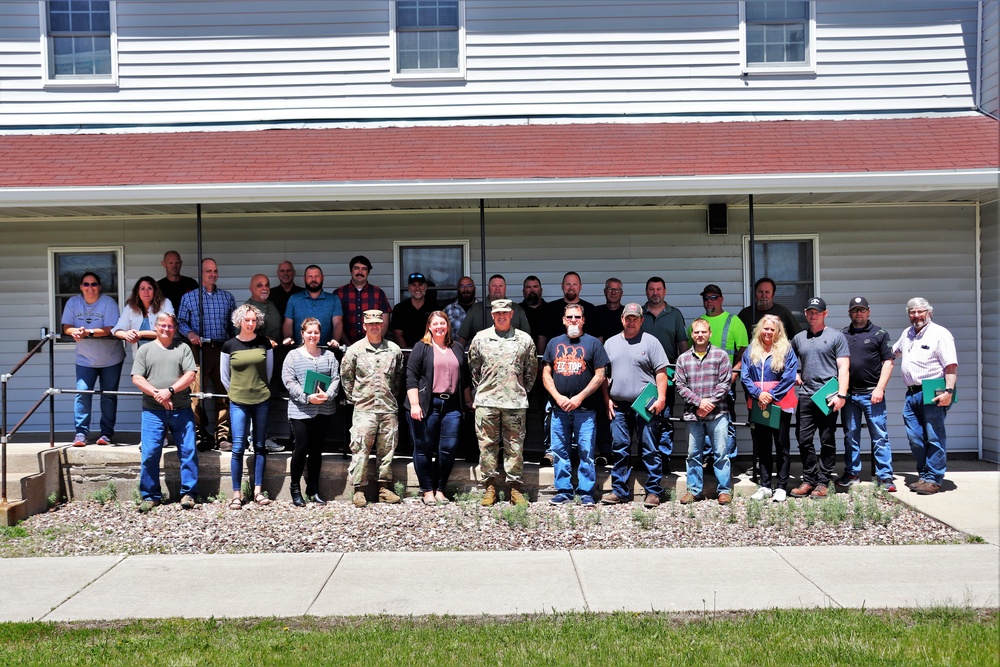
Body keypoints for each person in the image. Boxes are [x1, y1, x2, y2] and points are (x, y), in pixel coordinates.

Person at [468, 299, 538, 507]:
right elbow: (474, 369)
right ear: (492, 315)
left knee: (514, 447)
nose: (501, 316)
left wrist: (519, 389)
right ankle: (490, 488)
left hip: (515, 401)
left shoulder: (524, 340)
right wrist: (485, 388)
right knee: (487, 446)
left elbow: (531, 370)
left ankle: (514, 488)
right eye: (497, 313)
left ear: (511, 313)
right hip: (487, 401)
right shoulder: (480, 338)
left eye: (505, 313)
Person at [601, 302, 670, 508]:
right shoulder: (610, 343)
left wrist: (662, 398)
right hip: (619, 406)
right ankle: (619, 491)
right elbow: (604, 375)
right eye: (627, 318)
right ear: (622, 319)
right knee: (620, 448)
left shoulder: (651, 342)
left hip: (645, 405)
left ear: (642, 320)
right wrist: (607, 400)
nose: (631, 322)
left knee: (649, 448)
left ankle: (653, 491)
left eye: (635, 318)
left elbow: (661, 372)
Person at [541, 303, 609, 506]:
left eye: (577, 317)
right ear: (563, 320)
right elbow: (545, 373)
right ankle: (563, 490)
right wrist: (557, 396)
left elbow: (600, 375)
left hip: (585, 410)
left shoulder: (593, 344)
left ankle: (585, 492)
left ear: (583, 320)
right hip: (558, 409)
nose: (573, 321)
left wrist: (580, 396)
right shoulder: (553, 343)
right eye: (569, 317)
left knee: (586, 452)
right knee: (560, 451)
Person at [130, 312, 198, 509]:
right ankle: (150, 495)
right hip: (152, 411)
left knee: (188, 450)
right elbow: (137, 378)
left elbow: (191, 375)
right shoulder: (145, 350)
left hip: (181, 409)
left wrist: (169, 391)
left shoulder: (183, 348)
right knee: (150, 452)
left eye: (170, 326)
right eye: (162, 325)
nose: (166, 329)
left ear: (174, 328)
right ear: (155, 327)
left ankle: (189, 494)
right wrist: (157, 394)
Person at [891, 297, 958, 496]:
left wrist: (949, 392)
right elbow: (893, 352)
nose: (917, 315)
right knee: (915, 438)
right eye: (912, 312)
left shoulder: (940, 334)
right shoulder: (907, 333)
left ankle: (934, 478)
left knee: (934, 435)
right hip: (911, 393)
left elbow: (951, 366)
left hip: (934, 389)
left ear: (929, 312)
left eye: (920, 311)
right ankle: (924, 475)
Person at [405, 311, 472, 505]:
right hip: (427, 404)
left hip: (452, 406)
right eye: (435, 324)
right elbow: (411, 377)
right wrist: (415, 405)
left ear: (448, 326)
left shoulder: (457, 348)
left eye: (442, 323)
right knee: (423, 448)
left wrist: (468, 403)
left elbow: (464, 380)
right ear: (429, 327)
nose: (439, 327)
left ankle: (440, 489)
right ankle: (427, 490)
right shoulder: (422, 347)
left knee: (448, 449)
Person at [340, 309, 405, 507]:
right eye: (371, 324)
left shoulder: (394, 350)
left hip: (387, 408)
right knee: (360, 449)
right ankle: (358, 490)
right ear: (364, 326)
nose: (375, 326)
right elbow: (346, 378)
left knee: (387, 449)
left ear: (383, 325)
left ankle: (384, 488)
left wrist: (389, 396)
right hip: (364, 409)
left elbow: (398, 378)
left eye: (378, 323)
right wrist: (357, 399)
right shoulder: (355, 350)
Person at [789, 297, 850, 499]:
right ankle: (809, 479)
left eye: (817, 311)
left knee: (827, 440)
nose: (813, 315)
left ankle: (823, 481)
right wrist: (795, 373)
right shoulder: (798, 338)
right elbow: (790, 362)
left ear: (825, 313)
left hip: (828, 395)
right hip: (806, 395)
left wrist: (842, 395)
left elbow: (844, 367)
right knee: (804, 439)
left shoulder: (836, 336)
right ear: (806, 313)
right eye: (810, 311)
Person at [177, 258, 237, 452]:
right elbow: (181, 322)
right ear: (201, 273)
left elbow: (232, 327)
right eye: (209, 271)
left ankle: (223, 436)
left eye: (215, 271)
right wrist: (190, 334)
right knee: (195, 394)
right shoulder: (190, 298)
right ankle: (198, 435)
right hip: (199, 350)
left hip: (221, 349)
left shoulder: (227, 298)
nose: (213, 274)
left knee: (224, 394)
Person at [61, 271, 125, 447]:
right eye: (86, 284)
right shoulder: (73, 303)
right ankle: (81, 434)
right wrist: (74, 331)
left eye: (94, 284)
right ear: (81, 287)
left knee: (108, 397)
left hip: (111, 358)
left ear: (99, 286)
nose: (90, 288)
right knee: (82, 394)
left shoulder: (108, 303)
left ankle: (106, 434)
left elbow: (109, 328)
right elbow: (66, 326)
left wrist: (87, 332)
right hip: (85, 359)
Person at [839, 296, 896, 491]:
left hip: (873, 395)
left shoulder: (880, 333)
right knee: (850, 436)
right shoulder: (842, 335)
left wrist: (880, 388)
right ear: (849, 313)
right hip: (849, 396)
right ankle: (852, 473)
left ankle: (885, 476)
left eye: (862, 310)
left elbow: (888, 362)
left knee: (879, 436)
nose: (858, 313)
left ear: (868, 312)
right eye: (855, 310)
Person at [675, 317, 734, 505]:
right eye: (696, 332)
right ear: (691, 335)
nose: (700, 335)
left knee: (721, 453)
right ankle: (694, 490)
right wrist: (699, 403)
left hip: (718, 414)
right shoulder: (683, 359)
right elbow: (680, 385)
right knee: (693, 454)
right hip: (693, 415)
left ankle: (724, 490)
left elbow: (725, 383)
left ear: (710, 333)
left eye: (703, 332)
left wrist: (709, 404)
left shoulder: (721, 356)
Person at [282, 317, 340, 507]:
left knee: (317, 450)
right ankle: (295, 488)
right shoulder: (293, 356)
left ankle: (313, 488)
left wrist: (328, 395)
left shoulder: (329, 356)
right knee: (301, 448)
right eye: (309, 332)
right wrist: (307, 398)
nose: (313, 336)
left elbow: (335, 378)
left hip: (324, 408)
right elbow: (289, 381)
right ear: (302, 334)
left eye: (316, 332)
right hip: (301, 410)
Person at [221, 304, 274, 509]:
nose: (250, 324)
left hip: (261, 399)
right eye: (247, 320)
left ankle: (258, 492)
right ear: (239, 321)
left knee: (260, 446)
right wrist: (236, 392)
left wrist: (259, 389)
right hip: (238, 401)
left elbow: (269, 372)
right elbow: (225, 376)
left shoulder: (264, 343)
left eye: (253, 320)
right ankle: (236, 494)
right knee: (238, 447)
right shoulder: (229, 345)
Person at [742, 314, 799, 502]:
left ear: (778, 331)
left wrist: (771, 396)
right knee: (763, 446)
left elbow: (790, 376)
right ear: (760, 330)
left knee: (782, 445)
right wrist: (759, 394)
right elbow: (745, 377)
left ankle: (782, 486)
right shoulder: (751, 350)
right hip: (759, 404)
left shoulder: (786, 350)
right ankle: (765, 485)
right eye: (765, 328)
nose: (768, 332)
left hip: (780, 404)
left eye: (772, 329)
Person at [691, 284, 748, 465]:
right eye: (706, 298)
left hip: (725, 384)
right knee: (704, 422)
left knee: (727, 423)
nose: (709, 301)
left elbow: (743, 351)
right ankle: (708, 459)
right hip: (701, 385)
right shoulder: (698, 323)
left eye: (713, 297)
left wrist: (733, 375)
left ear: (721, 299)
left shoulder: (734, 321)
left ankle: (727, 459)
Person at [639, 276, 688, 473]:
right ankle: (647, 459)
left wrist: (682, 372)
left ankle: (664, 460)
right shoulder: (638, 314)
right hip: (642, 375)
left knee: (665, 418)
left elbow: (682, 346)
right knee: (643, 419)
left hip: (667, 375)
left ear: (665, 291)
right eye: (651, 289)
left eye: (659, 289)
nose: (655, 293)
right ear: (646, 292)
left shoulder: (675, 315)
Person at [457, 274, 531, 345]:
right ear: (488, 288)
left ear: (505, 288)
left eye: (501, 286)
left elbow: (527, 340)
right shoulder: (475, 310)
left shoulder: (517, 310)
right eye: (494, 285)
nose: (497, 289)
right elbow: (463, 339)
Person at [335, 255, 391, 345]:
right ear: (351, 271)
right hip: (345, 347)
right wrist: (349, 346)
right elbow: (336, 322)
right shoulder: (339, 293)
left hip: (372, 347)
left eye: (364, 269)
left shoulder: (378, 293)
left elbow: (385, 322)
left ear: (368, 272)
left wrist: (375, 343)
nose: (360, 272)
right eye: (356, 268)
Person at [282, 265, 343, 347]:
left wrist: (335, 340)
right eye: (310, 276)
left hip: (326, 350)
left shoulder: (333, 299)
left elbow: (337, 323)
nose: (313, 280)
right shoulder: (294, 299)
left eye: (316, 276)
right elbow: (288, 323)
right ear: (304, 279)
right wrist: (288, 337)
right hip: (299, 350)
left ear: (322, 278)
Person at [113, 276, 174, 354]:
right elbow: (117, 330)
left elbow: (168, 330)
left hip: (164, 354)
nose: (146, 291)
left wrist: (140, 334)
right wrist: (126, 335)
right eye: (142, 288)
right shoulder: (130, 307)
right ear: (137, 292)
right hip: (140, 356)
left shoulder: (165, 303)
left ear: (155, 291)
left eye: (150, 288)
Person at [538, 271, 596, 352]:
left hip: (584, 359)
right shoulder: (549, 308)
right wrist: (541, 359)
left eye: (574, 284)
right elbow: (542, 337)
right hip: (555, 358)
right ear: (562, 286)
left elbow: (597, 337)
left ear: (580, 287)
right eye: (568, 284)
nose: (571, 288)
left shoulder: (590, 309)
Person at [738, 277, 801, 341]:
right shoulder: (745, 314)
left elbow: (798, 337)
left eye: (767, 292)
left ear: (773, 294)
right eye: (760, 292)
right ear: (755, 294)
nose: (763, 295)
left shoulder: (783, 312)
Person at [392, 272, 438, 348]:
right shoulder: (399, 309)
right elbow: (397, 334)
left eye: (420, 285)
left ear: (425, 287)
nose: (417, 288)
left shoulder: (435, 309)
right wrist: (407, 353)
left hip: (430, 352)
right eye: (414, 285)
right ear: (409, 288)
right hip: (407, 353)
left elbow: (438, 333)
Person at [246, 274, 282, 345]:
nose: (264, 288)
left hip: (278, 351)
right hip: (257, 352)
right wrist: (264, 340)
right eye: (260, 285)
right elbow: (242, 337)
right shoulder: (246, 309)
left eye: (267, 285)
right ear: (251, 289)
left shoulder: (273, 302)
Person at [590, 277, 625, 342]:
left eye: (617, 290)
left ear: (621, 293)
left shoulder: (626, 313)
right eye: (610, 289)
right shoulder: (595, 312)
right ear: (605, 291)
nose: (613, 292)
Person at [519, 275, 547, 349]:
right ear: (523, 291)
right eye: (528, 287)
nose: (532, 290)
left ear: (541, 290)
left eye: (535, 287)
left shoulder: (550, 309)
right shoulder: (517, 311)